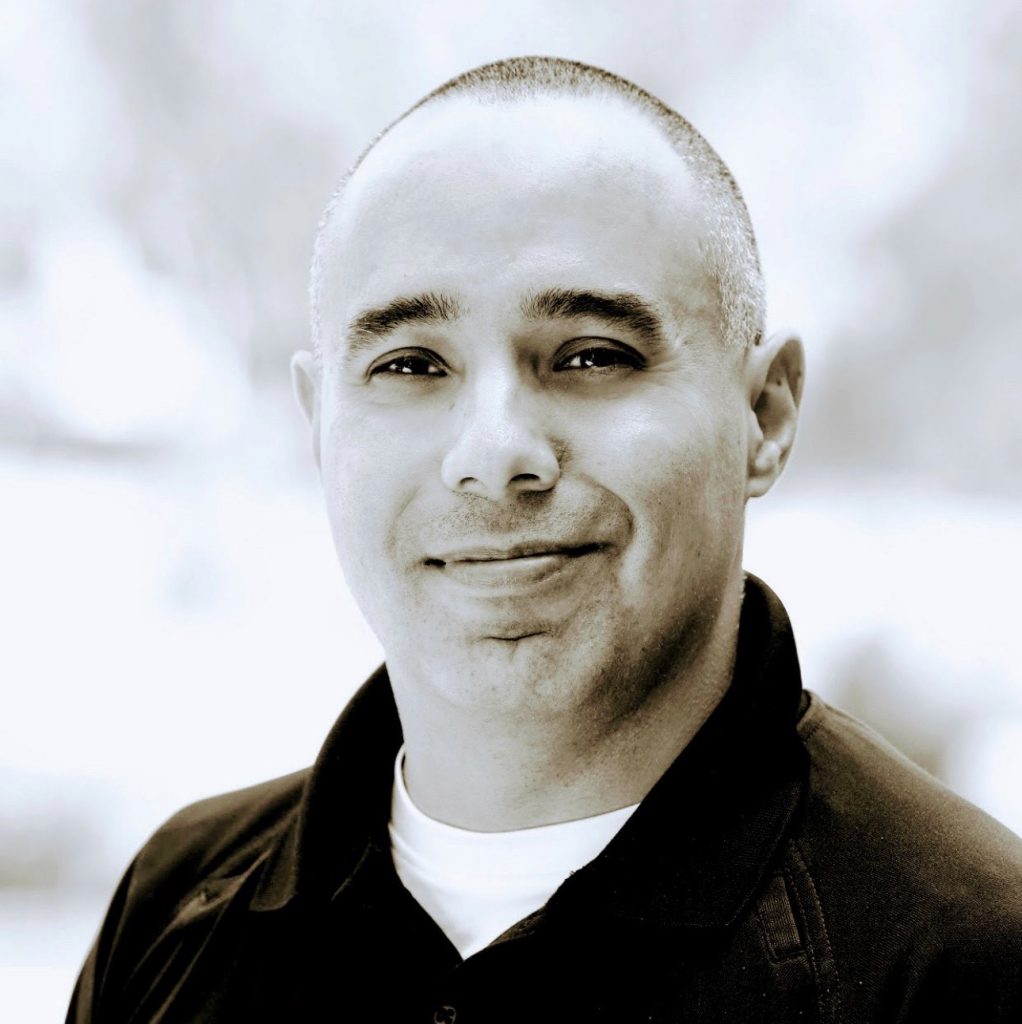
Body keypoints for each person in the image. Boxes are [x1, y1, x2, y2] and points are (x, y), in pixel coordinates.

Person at [67, 56, 1022, 1023]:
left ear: (764, 415)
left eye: (591, 356)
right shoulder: (171, 914)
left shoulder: (969, 963)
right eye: (411, 365)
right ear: (320, 427)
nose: (493, 455)